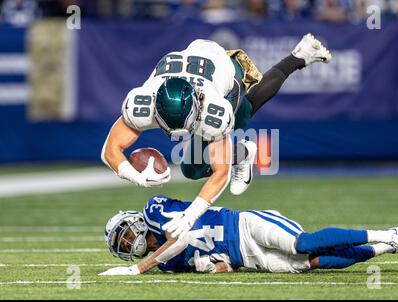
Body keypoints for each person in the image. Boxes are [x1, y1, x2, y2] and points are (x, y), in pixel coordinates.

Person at [101, 34, 332, 240]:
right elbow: (110, 150)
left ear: (198, 104)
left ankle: (243, 152)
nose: (178, 134)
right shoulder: (142, 102)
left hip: (226, 71)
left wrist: (190, 216)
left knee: (241, 115)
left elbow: (221, 173)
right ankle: (299, 55)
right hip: (193, 60)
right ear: (155, 106)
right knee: (192, 168)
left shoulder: (212, 107)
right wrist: (137, 178)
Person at [99, 194, 398, 275]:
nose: (129, 242)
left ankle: (391, 233)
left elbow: (180, 239)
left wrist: (138, 269)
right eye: (123, 245)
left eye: (125, 235)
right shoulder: (167, 266)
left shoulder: (154, 209)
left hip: (244, 225)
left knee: (304, 244)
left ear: (134, 222)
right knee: (313, 263)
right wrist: (212, 267)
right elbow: (218, 267)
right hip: (247, 258)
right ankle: (388, 247)